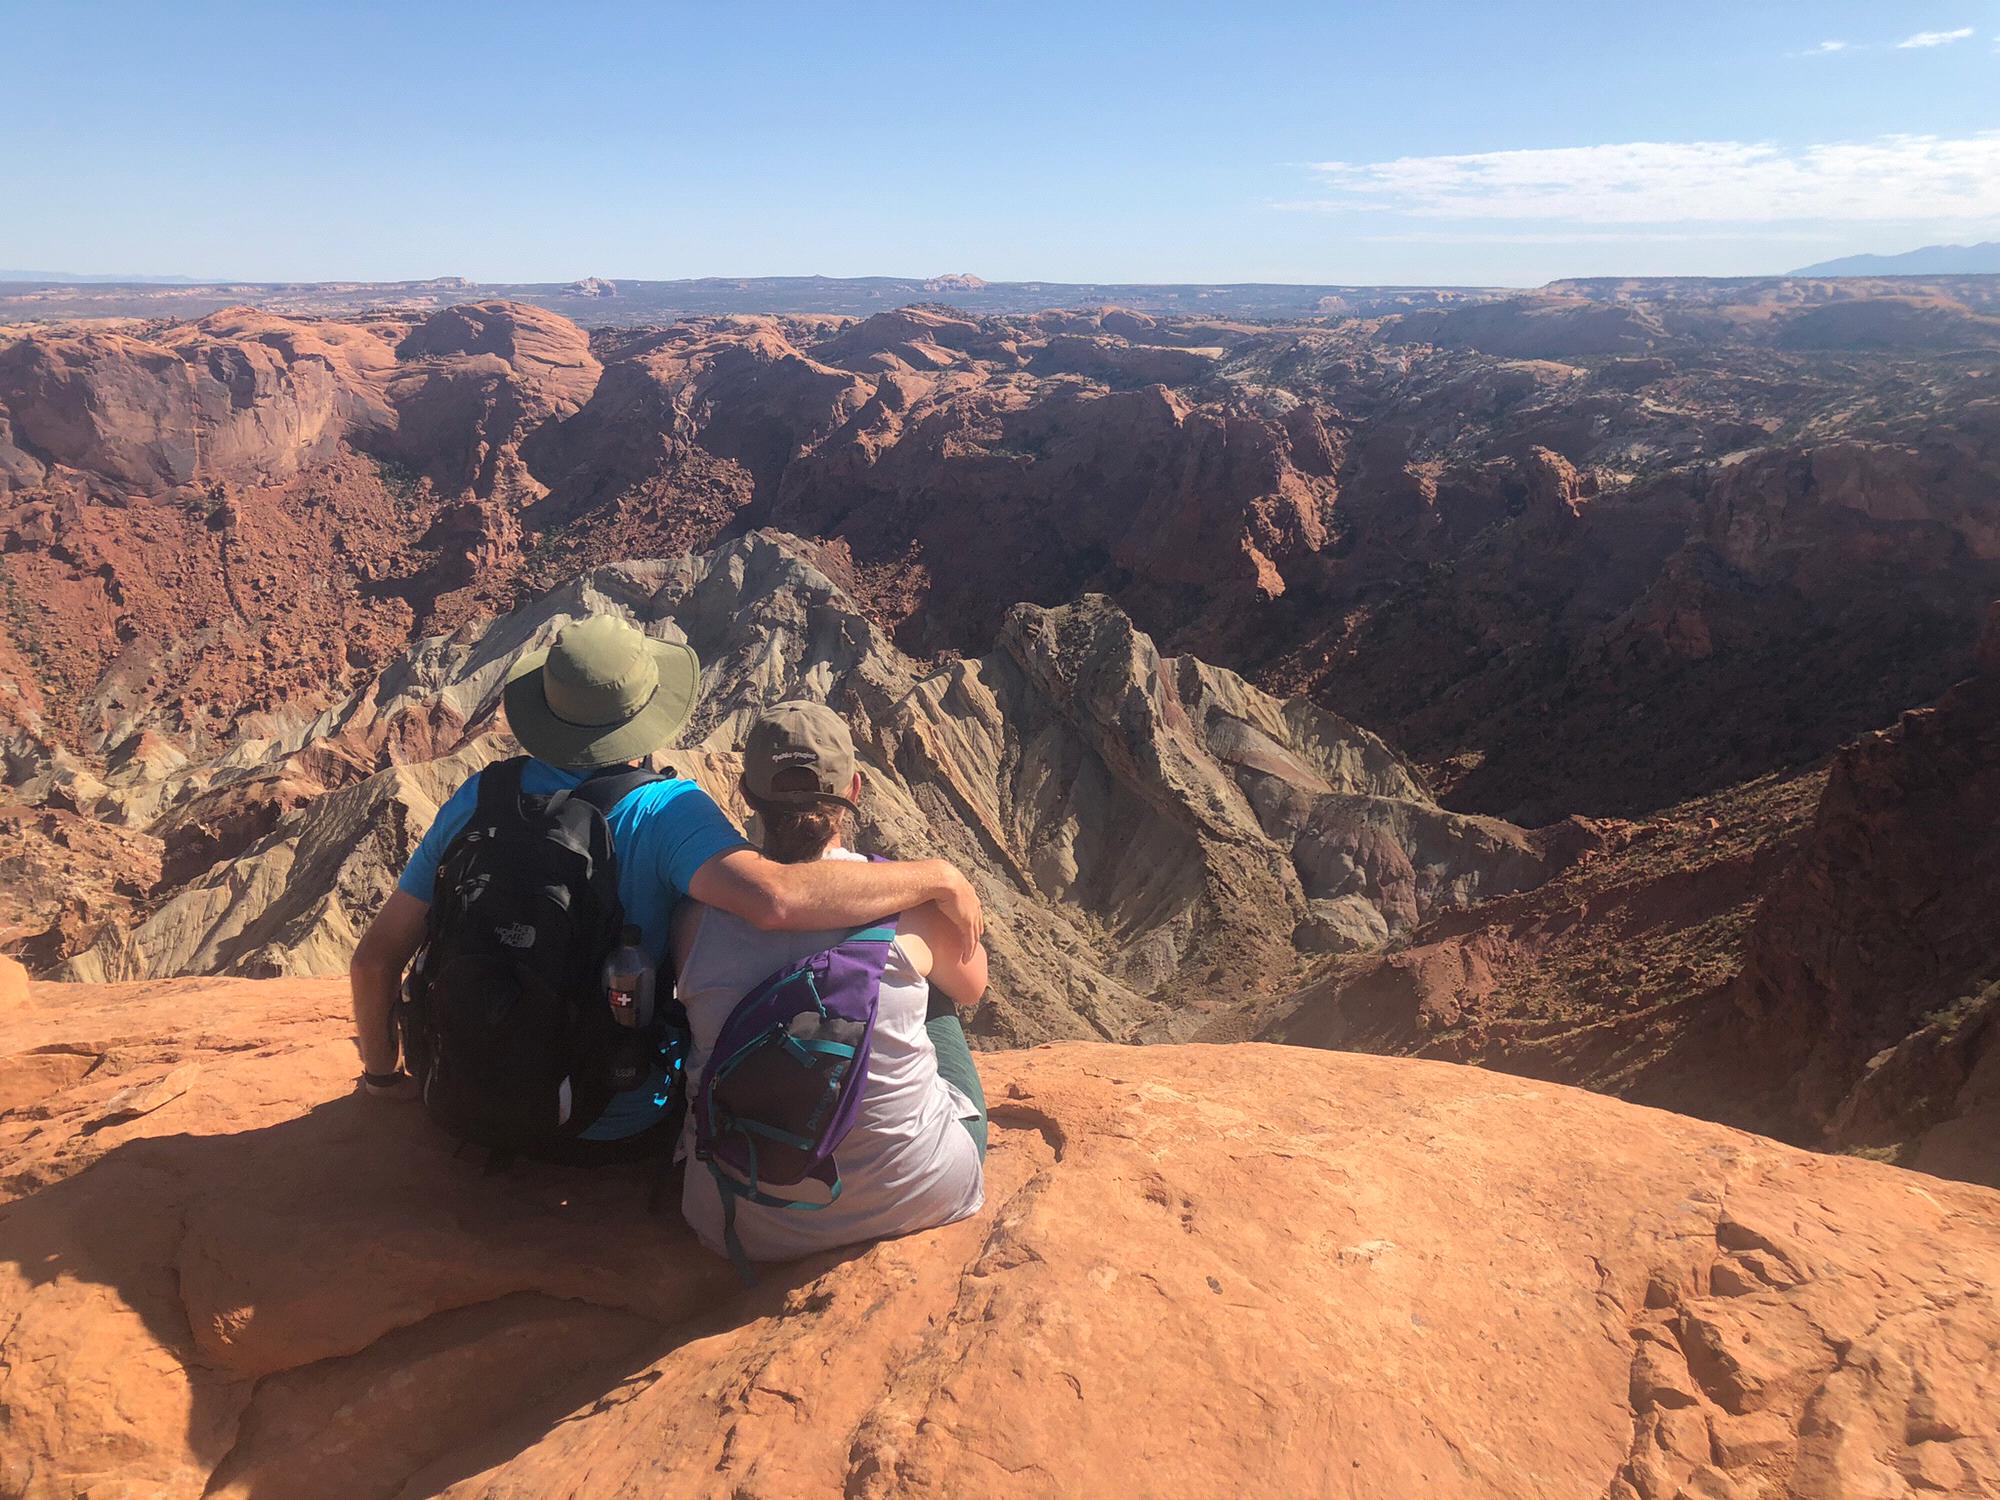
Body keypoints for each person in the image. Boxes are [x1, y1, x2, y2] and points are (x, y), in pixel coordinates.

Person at [349, 614, 984, 1156]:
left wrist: (382, 1078)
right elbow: (775, 898)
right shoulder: (666, 811)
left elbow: (374, 961)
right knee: (931, 996)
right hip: (615, 1128)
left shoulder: (479, 797)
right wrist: (938, 876)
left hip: (460, 1104)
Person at [673, 700, 989, 1262]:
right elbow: (973, 987)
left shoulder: (695, 918)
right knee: (936, 991)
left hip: (742, 1222)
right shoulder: (911, 907)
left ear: (745, 794)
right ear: (857, 790)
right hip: (918, 1196)